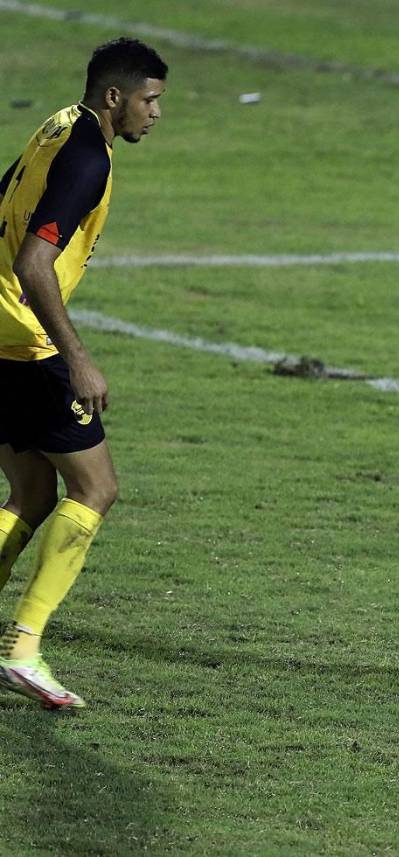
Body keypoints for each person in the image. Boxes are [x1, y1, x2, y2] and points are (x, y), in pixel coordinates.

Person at [0, 38, 167, 709]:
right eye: (149, 101)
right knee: (96, 487)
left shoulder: (58, 123)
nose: (155, 114)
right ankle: (23, 646)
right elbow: (34, 267)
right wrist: (77, 356)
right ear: (114, 98)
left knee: (33, 492)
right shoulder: (88, 158)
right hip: (26, 343)